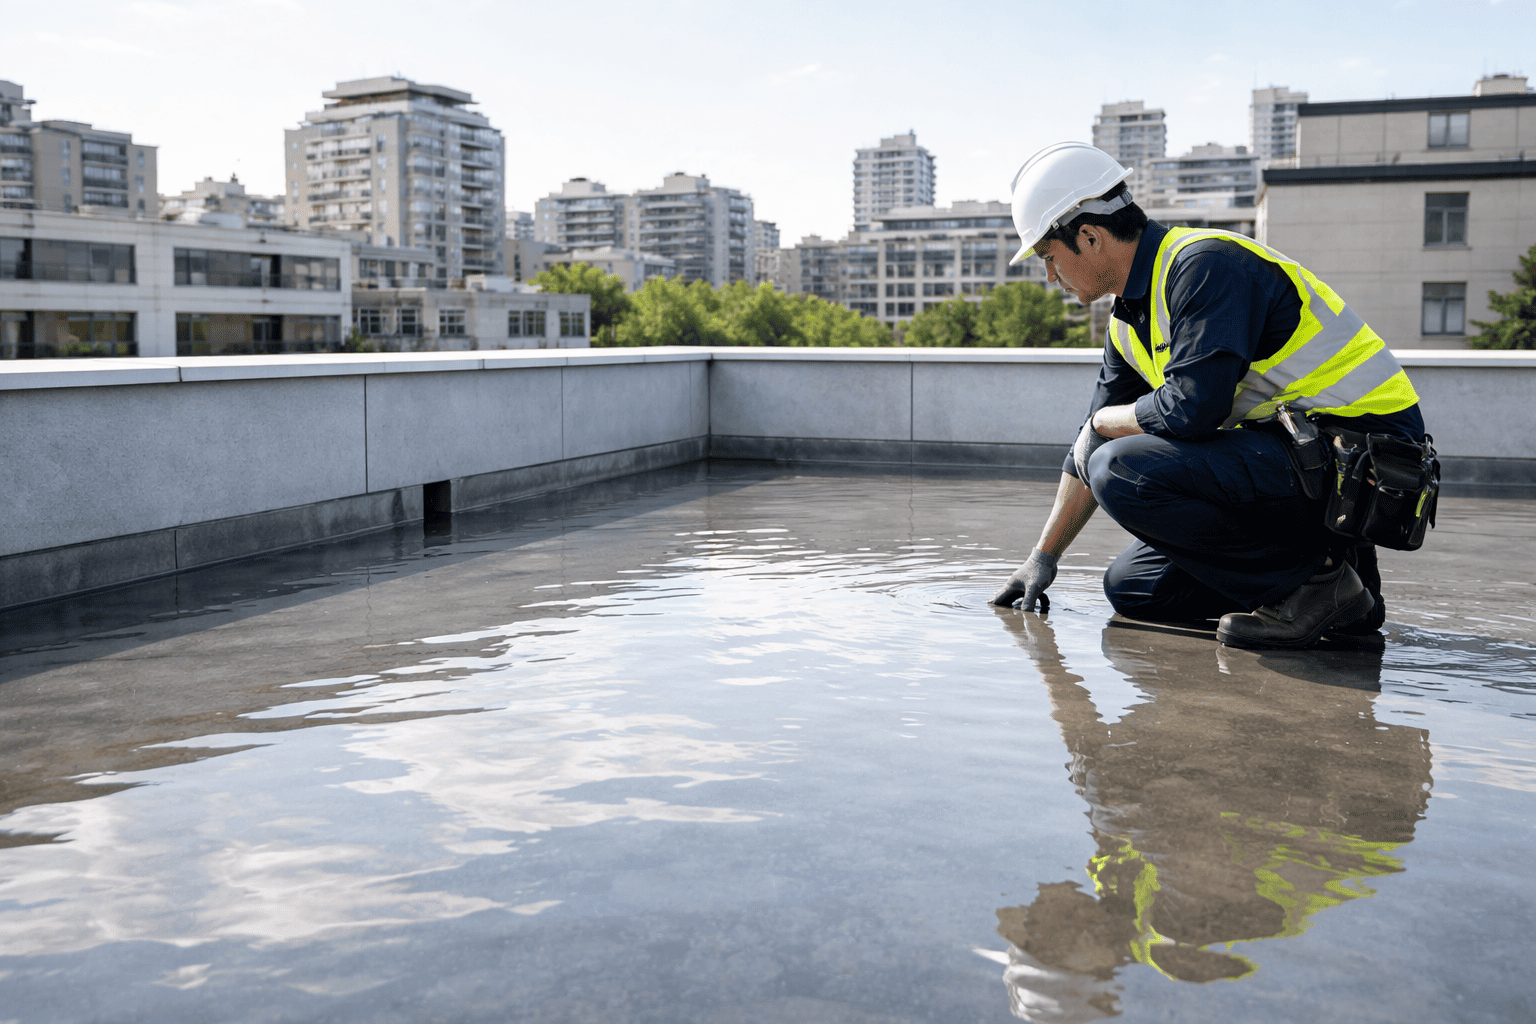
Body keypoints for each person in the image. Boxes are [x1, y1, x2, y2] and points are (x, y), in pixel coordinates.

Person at [990, 142, 1427, 649]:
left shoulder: (1205, 265)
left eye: (1049, 256)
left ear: (1089, 237)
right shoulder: (1129, 320)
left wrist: (1106, 424)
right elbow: (1086, 448)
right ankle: (1336, 584)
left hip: (1364, 455)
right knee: (1132, 587)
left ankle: (1314, 587)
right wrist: (1044, 557)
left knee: (1124, 467)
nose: (1050, 276)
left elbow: (1193, 409)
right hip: (1299, 460)